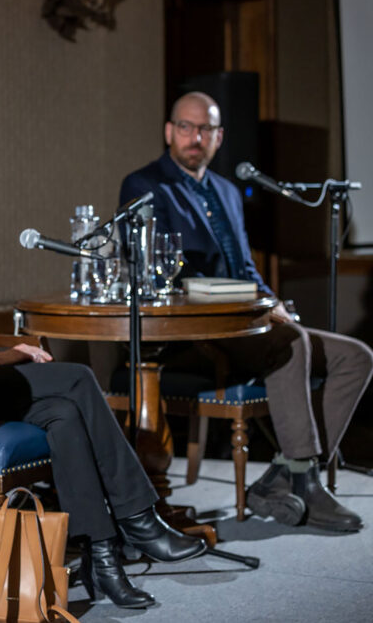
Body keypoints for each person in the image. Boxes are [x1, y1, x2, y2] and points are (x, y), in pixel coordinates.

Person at [0, 123, 207, 610]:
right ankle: (140, 519)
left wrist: (8, 348)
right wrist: (11, 356)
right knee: (76, 377)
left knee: (66, 414)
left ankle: (103, 557)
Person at [120, 91, 373, 532]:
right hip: (197, 333)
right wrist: (249, 307)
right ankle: (304, 483)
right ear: (169, 132)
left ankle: (284, 475)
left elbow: (246, 269)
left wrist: (273, 303)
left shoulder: (228, 191)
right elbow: (155, 272)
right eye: (185, 127)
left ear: (219, 137)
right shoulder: (145, 186)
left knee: (356, 356)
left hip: (251, 323)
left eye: (205, 130)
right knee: (291, 345)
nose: (194, 137)